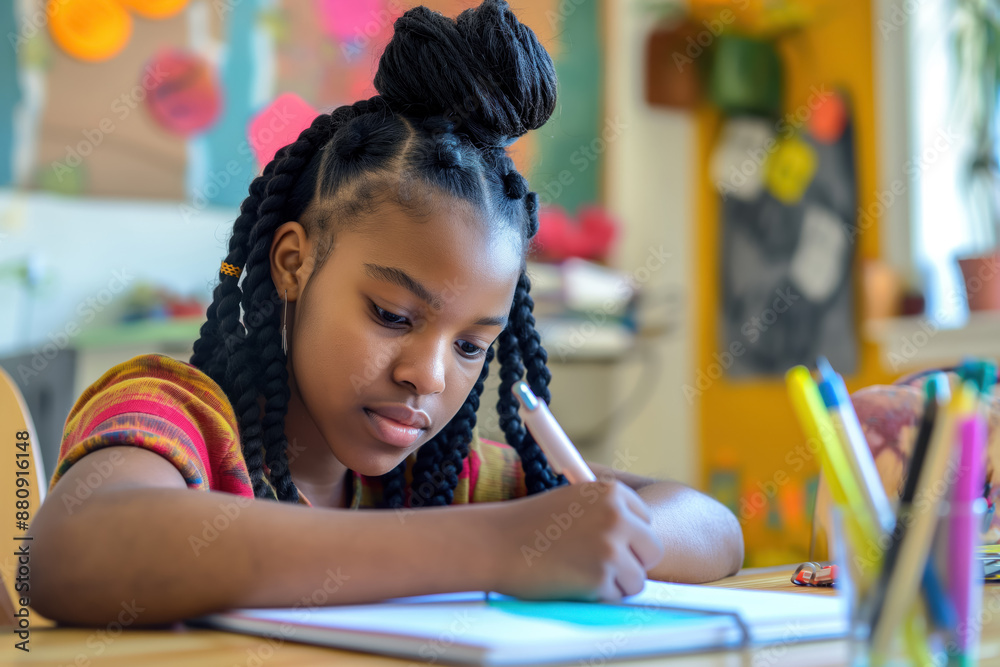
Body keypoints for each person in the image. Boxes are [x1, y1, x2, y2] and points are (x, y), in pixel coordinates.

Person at [29, 0, 743, 627]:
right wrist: (496, 544)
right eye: (394, 315)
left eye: (471, 346)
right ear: (292, 263)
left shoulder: (438, 478)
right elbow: (70, 547)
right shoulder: (176, 415)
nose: (427, 375)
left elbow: (716, 530)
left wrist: (594, 532)